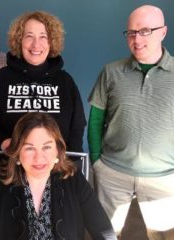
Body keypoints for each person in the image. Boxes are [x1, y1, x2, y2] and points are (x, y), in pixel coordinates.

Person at [0, 112, 116, 240]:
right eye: (29, 148)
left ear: (57, 150)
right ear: (17, 152)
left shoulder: (73, 179)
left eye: (46, 147)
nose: (39, 158)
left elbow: (104, 232)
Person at [88, 5, 174, 239]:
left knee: (162, 236)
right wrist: (97, 163)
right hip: (113, 173)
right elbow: (95, 121)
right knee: (105, 234)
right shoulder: (111, 72)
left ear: (163, 32)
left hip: (164, 177)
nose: (137, 39)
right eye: (131, 33)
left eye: (145, 31)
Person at [0, 11, 86, 152]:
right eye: (29, 36)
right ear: (19, 40)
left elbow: (77, 126)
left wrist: (69, 163)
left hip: (56, 168)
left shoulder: (65, 81)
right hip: (10, 166)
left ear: (52, 41)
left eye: (43, 37)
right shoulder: (2, 79)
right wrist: (4, 143)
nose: (36, 44)